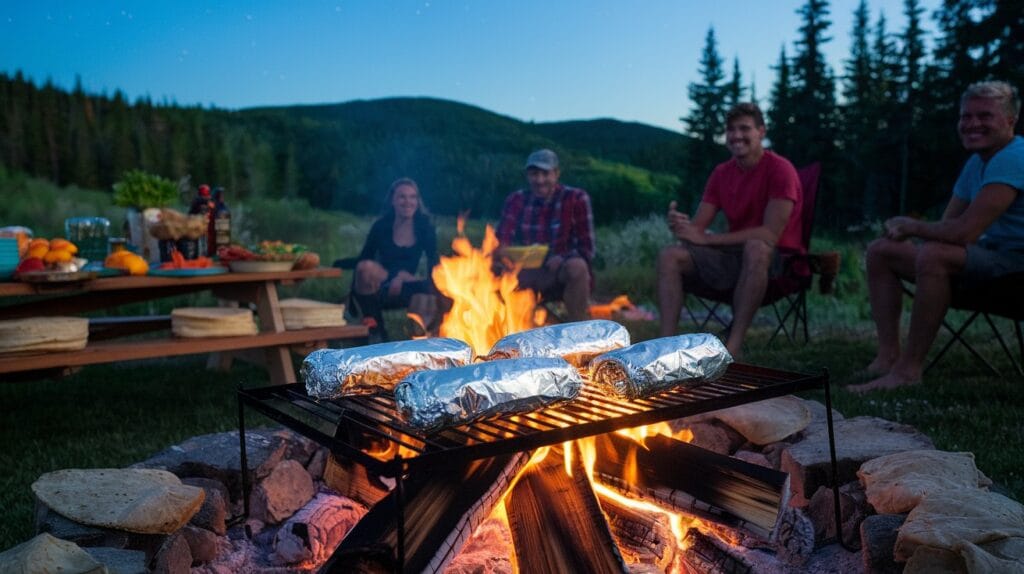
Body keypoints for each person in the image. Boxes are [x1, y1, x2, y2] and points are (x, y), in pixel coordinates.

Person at [851, 81, 1024, 393]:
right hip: (989, 259)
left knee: (934, 256)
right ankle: (887, 356)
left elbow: (963, 231)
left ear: (1010, 120)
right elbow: (948, 225)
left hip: (1016, 268)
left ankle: (908, 371)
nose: (972, 124)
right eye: (965, 116)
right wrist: (911, 234)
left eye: (984, 116)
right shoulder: (977, 162)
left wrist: (912, 226)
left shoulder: (1015, 157)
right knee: (882, 251)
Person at [656, 103, 803, 357]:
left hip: (779, 264)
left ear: (761, 132)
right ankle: (665, 346)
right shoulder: (722, 173)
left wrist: (708, 238)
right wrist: (681, 226)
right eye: (730, 130)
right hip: (732, 258)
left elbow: (769, 235)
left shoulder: (781, 170)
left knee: (757, 247)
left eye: (744, 128)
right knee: (670, 255)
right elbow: (698, 230)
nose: (736, 136)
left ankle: (732, 345)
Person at [496, 149, 595, 321]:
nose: (540, 180)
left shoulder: (576, 198)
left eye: (545, 174)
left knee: (577, 267)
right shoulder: (517, 200)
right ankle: (497, 328)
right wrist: (506, 254)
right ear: (527, 176)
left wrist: (562, 257)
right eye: (534, 174)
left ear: (556, 174)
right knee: (488, 268)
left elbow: (587, 250)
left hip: (558, 272)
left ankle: (579, 327)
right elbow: (500, 240)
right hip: (524, 272)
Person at [352, 178, 440, 334]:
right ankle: (376, 334)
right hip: (383, 285)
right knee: (365, 269)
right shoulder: (381, 226)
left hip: (409, 286)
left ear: (418, 201)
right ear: (392, 200)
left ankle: (434, 340)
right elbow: (364, 259)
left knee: (438, 290)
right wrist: (395, 276)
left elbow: (434, 263)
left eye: (413, 197)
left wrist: (406, 278)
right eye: (402, 197)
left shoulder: (424, 226)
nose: (408, 202)